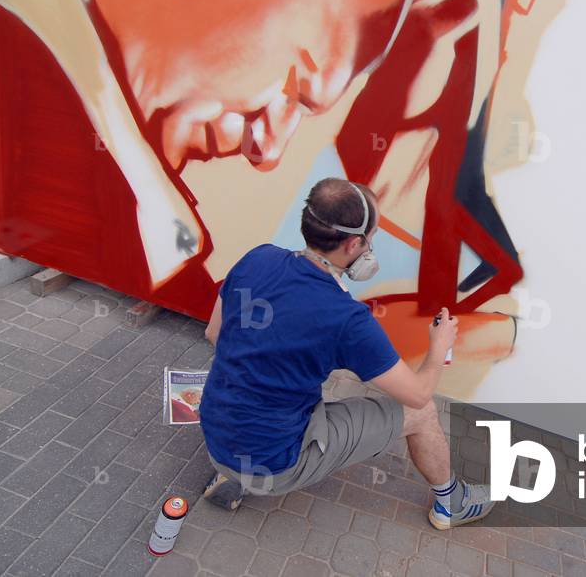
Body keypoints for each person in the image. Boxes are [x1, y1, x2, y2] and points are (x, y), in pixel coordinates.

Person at [198, 177, 495, 529]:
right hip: (275, 463)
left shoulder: (258, 257)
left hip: (216, 433)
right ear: (354, 244)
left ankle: (234, 474)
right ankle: (452, 505)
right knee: (424, 413)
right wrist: (438, 348)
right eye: (372, 239)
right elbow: (416, 395)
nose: (371, 247)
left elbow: (214, 332)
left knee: (277, 392)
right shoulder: (347, 319)